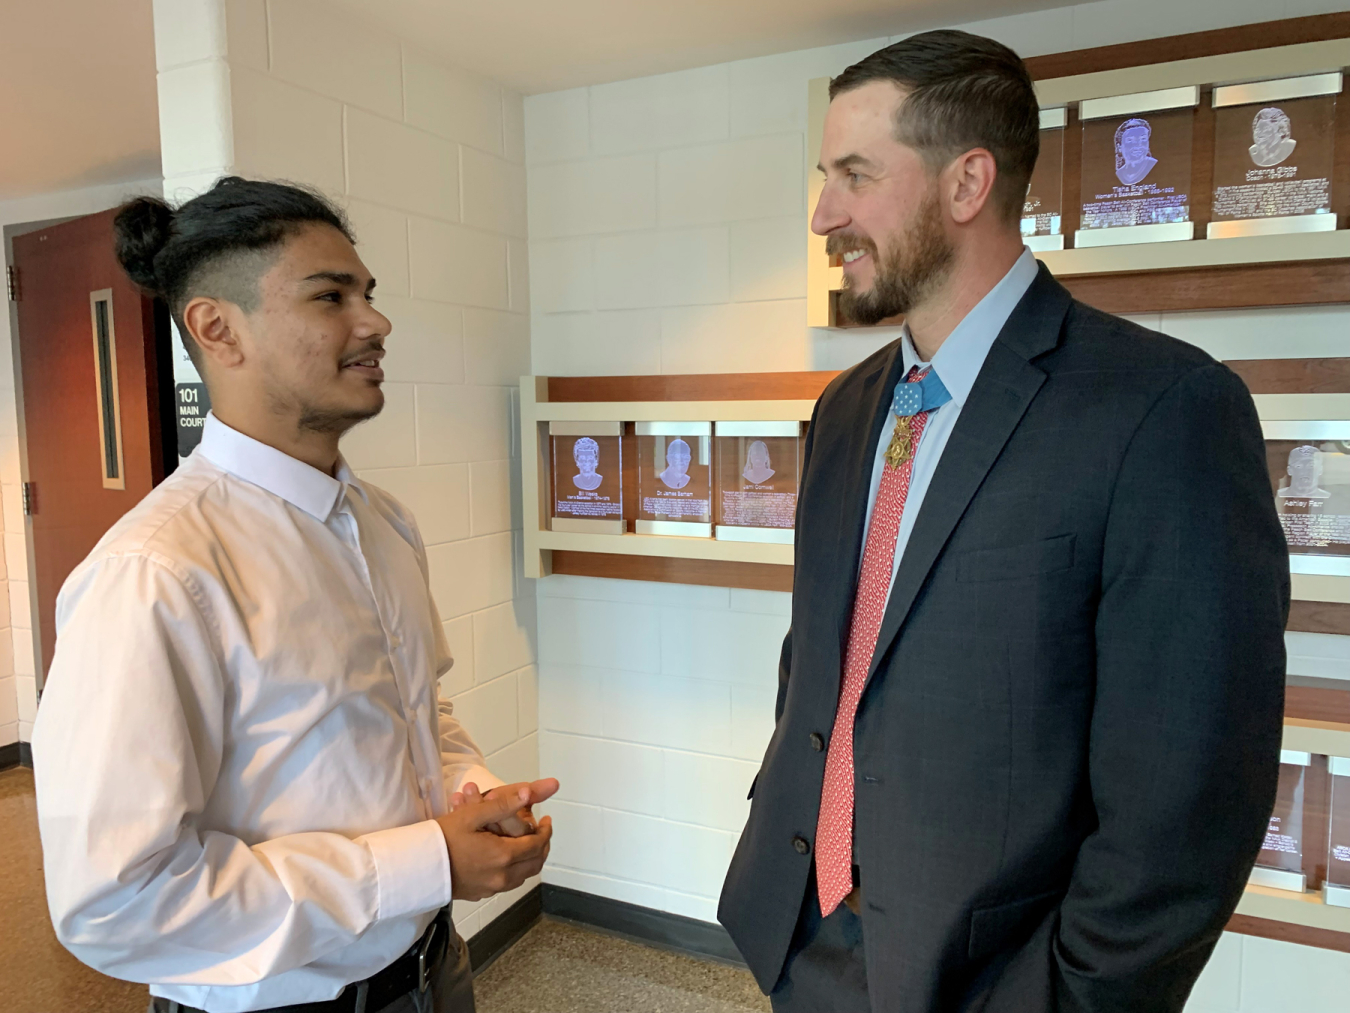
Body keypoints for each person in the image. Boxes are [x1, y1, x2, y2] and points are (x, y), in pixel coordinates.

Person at [719, 31, 1288, 1013]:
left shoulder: (1162, 410)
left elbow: (1189, 798)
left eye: (855, 175)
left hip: (997, 977)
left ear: (966, 182)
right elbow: (822, 656)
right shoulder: (847, 409)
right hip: (803, 936)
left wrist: (1067, 996)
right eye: (826, 177)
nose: (823, 214)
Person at [31, 177, 557, 1013]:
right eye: (330, 295)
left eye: (368, 294)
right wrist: (427, 862)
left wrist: (470, 795)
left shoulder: (384, 523)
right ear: (217, 328)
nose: (376, 321)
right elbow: (115, 901)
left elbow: (421, 709)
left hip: (434, 971)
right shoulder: (155, 574)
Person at [1114, 117, 1158, 185]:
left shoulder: (1156, 166)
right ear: (1119, 146)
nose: (1138, 145)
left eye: (1143, 139)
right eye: (1130, 140)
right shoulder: (1119, 173)